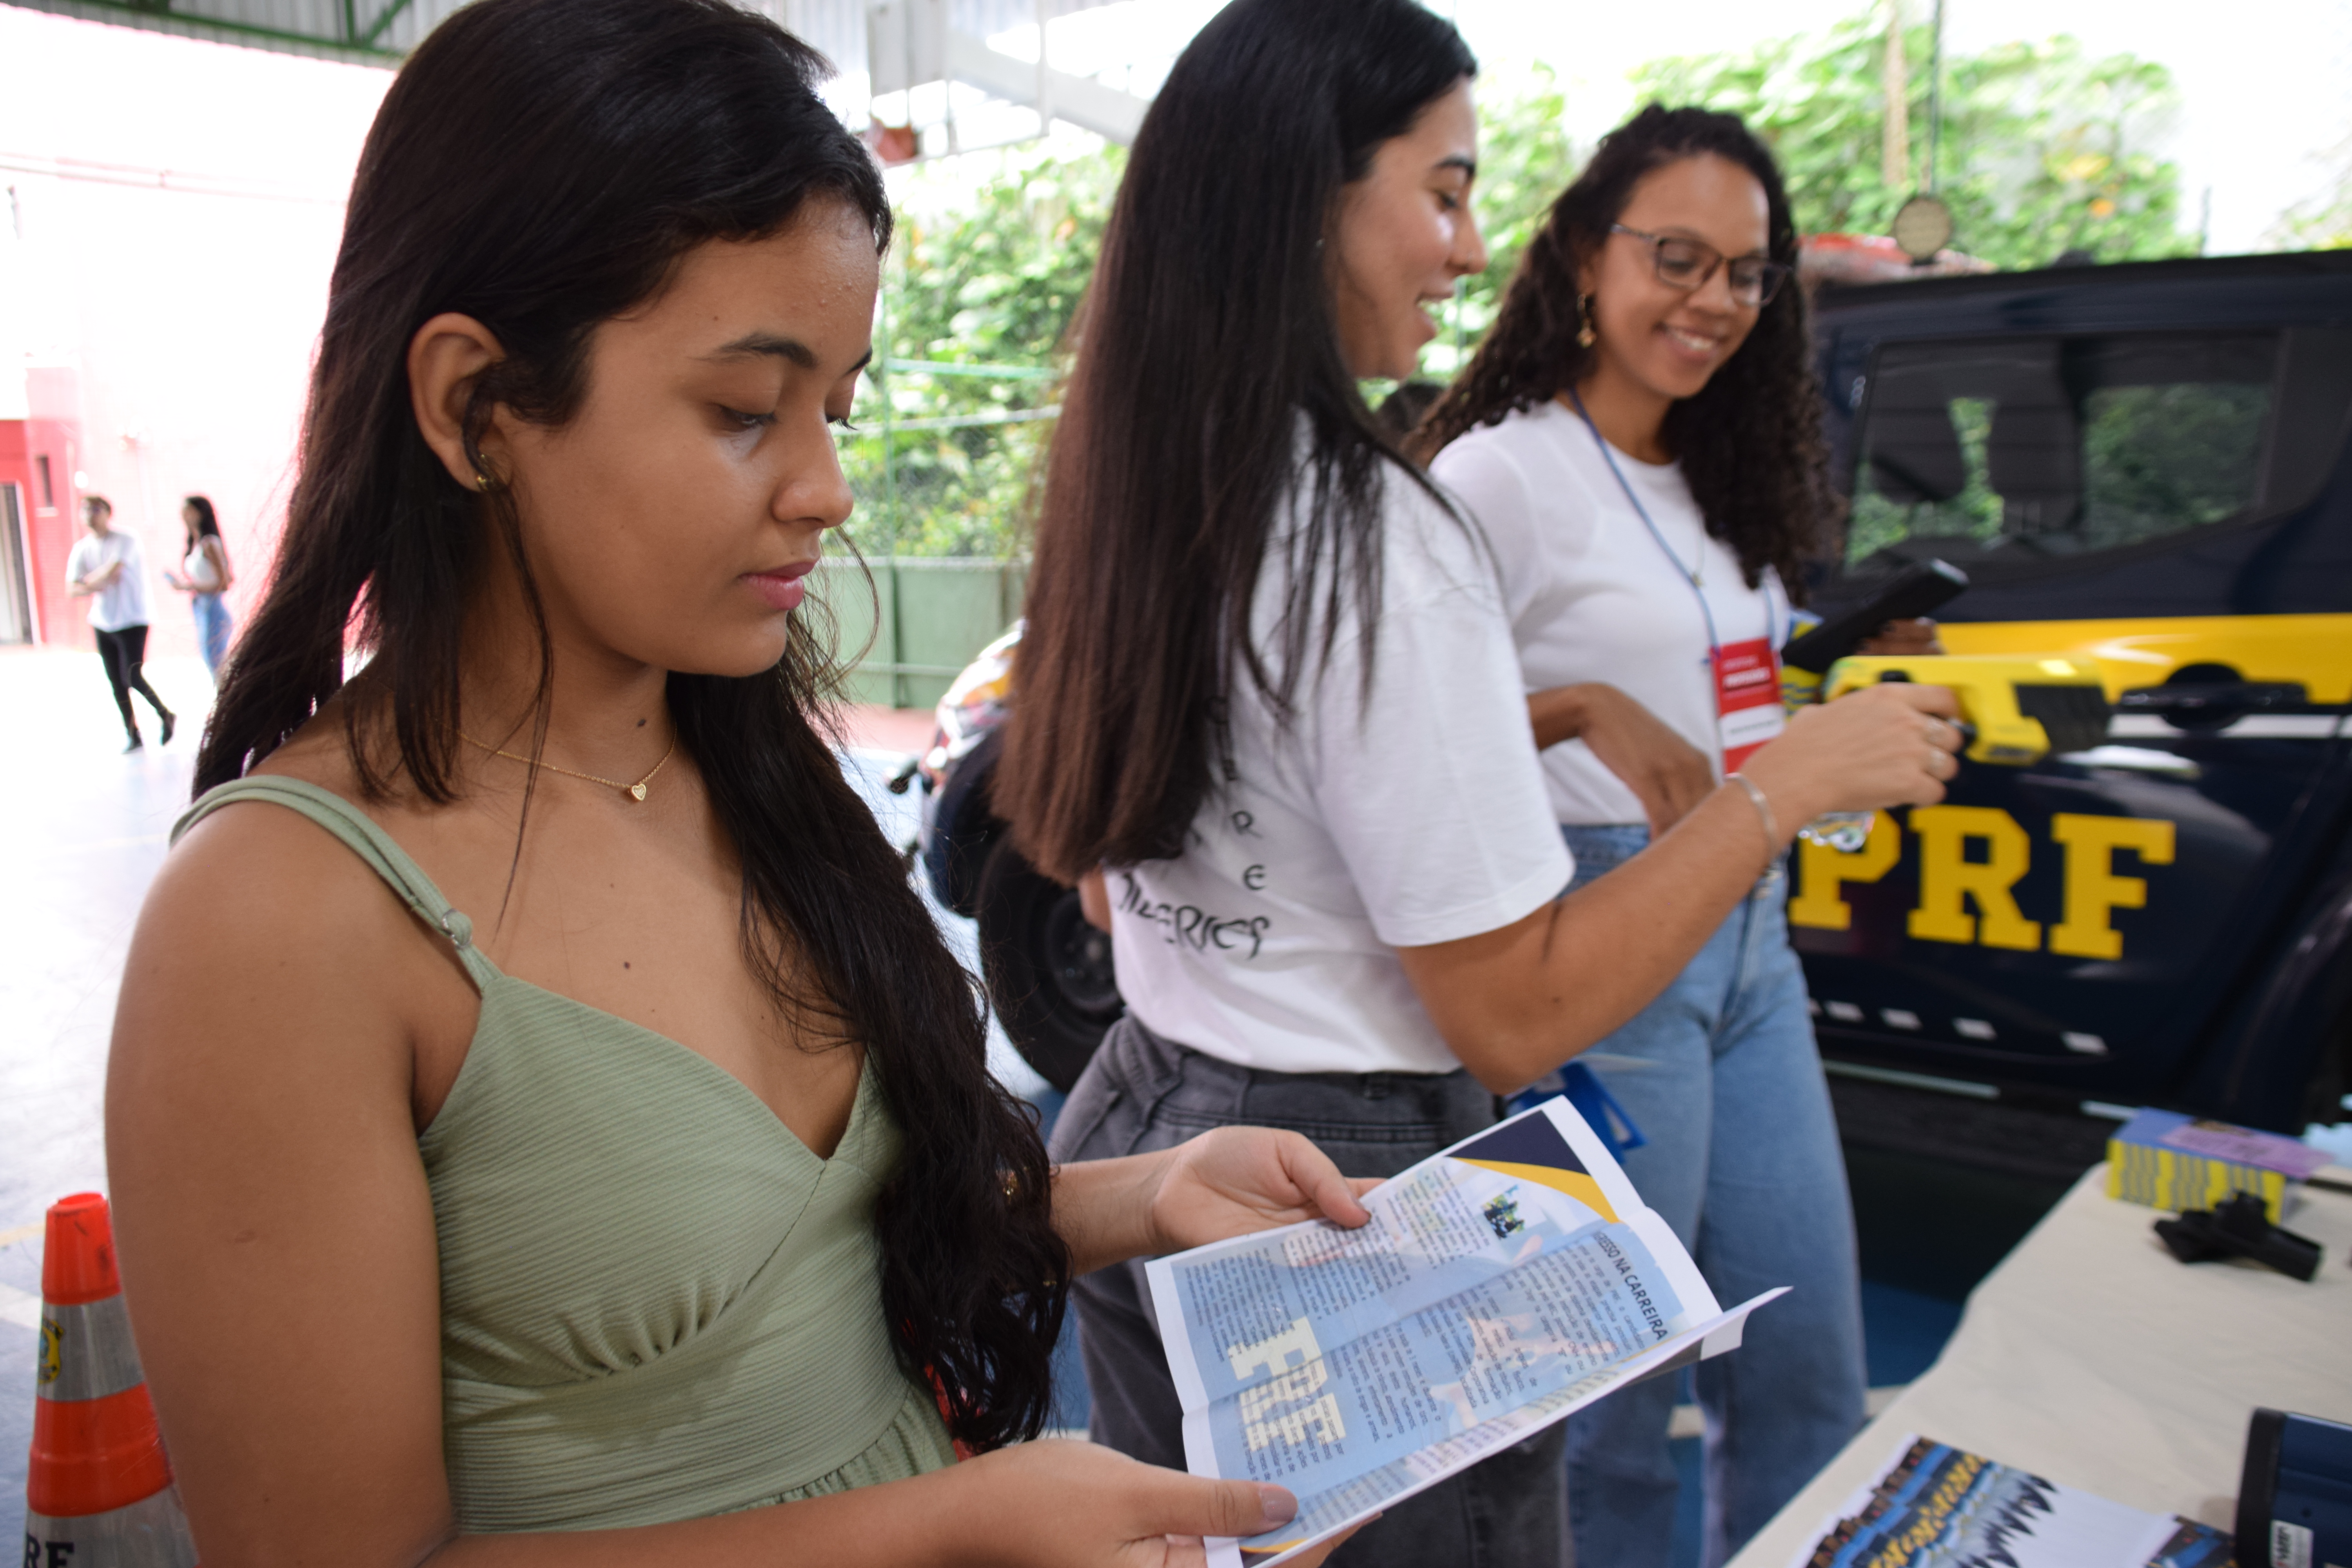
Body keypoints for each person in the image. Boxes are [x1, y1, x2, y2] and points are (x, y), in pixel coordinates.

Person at [105, 2, 1376, 1562]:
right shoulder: (281, 920)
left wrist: (1147, 1188)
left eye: (836, 408)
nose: (828, 488)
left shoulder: (745, 770)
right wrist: (947, 1530)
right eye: (741, 411)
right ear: (474, 406)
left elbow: (828, 1244)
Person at [992, 5, 1964, 1565]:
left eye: (1745, 271)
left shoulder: (1163, 471)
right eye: (1442, 192)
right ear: (1311, 190)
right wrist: (1779, 790)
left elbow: (1132, 862)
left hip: (1162, 1114)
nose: (1463, 248)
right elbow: (1509, 1009)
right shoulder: (1394, 524)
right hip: (1331, 1174)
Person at [1416, 106, 1938, 1568]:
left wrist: (1823, 663)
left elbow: (1712, 699)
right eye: (1675, 257)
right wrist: (1576, 708)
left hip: (1751, 936)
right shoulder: (1496, 474)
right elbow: (1403, 726)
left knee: (1805, 1350)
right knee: (1614, 1391)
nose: (1711, 300)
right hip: (1604, 938)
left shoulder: (1717, 477)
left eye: (1744, 274)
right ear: (1586, 254)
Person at [65, 493, 176, 751]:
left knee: (132, 674)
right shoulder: (82, 548)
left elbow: (113, 573)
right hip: (103, 621)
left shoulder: (126, 540)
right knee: (116, 681)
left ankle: (165, 714)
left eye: (95, 510)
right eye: (85, 510)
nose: (89, 515)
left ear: (107, 512)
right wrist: (95, 581)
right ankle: (133, 733)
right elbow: (71, 589)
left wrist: (87, 582)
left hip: (132, 619)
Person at [162, 493, 236, 677]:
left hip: (214, 609)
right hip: (201, 608)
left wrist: (188, 587)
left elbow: (225, 583)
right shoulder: (195, 543)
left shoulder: (209, 543)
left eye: (188, 511)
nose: (183, 515)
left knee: (217, 666)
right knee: (212, 664)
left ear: (200, 513)